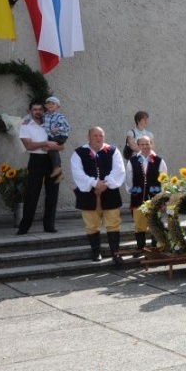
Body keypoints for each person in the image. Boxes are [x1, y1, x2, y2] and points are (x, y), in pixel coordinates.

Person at [70, 127, 127, 265]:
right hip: (88, 195)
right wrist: (94, 183)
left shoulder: (113, 151)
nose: (98, 138)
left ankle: (115, 253)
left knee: (113, 223)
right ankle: (96, 252)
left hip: (110, 193)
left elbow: (119, 169)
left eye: (101, 135)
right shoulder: (79, 153)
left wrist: (105, 184)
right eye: (95, 135)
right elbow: (77, 173)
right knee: (91, 225)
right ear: (88, 136)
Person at [16, 102, 63, 235]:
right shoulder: (25, 125)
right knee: (32, 194)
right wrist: (45, 143)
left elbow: (60, 141)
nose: (38, 111)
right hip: (36, 160)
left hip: (53, 160)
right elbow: (29, 146)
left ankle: (49, 226)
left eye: (40, 109)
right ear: (30, 111)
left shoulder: (51, 122)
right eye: (35, 109)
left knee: (53, 194)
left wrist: (51, 145)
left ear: (44, 110)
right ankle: (24, 227)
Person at [125, 136, 167, 252]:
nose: (145, 147)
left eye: (147, 144)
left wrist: (162, 197)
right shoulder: (132, 161)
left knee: (154, 222)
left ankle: (154, 248)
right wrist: (132, 191)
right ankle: (140, 247)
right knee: (139, 223)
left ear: (151, 144)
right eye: (142, 144)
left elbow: (164, 179)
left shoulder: (159, 160)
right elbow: (128, 178)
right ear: (138, 146)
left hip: (155, 197)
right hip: (138, 197)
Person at [42, 96, 70, 179]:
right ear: (45, 106)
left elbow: (67, 127)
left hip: (60, 136)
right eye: (48, 103)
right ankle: (59, 174)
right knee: (52, 150)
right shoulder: (44, 116)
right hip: (51, 137)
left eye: (53, 103)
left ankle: (57, 167)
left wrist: (57, 129)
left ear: (57, 106)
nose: (50, 105)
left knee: (50, 147)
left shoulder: (59, 117)